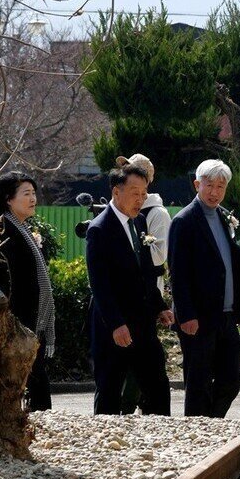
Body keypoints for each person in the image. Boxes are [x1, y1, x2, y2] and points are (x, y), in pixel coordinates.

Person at [168, 159, 240, 417]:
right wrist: (186, 315)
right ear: (197, 185)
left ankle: (212, 421)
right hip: (198, 318)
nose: (215, 192)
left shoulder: (223, 217)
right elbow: (178, 273)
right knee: (198, 384)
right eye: (209, 185)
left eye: (221, 186)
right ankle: (198, 431)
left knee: (231, 381)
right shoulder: (184, 222)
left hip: (226, 315)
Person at [85, 164, 174, 416]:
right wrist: (116, 323)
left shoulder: (141, 221)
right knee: (110, 390)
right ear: (116, 192)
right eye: (135, 192)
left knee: (157, 385)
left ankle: (161, 437)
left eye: (144, 193)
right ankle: (103, 442)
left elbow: (145, 272)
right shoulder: (99, 229)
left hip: (143, 322)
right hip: (113, 326)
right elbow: (99, 283)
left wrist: (160, 306)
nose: (140, 199)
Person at [0, 171, 54, 411]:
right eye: (26, 194)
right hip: (14, 319)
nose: (33, 198)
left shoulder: (22, 228)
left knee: (35, 381)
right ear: (8, 198)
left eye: (34, 193)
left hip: (29, 320)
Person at [114, 153, 171, 415]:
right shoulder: (118, 216)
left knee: (146, 355)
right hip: (124, 300)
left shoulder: (156, 214)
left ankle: (138, 405)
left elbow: (158, 257)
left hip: (147, 292)